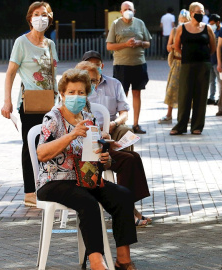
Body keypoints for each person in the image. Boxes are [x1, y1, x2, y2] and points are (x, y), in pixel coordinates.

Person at [36, 68, 138, 270]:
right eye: (71, 92)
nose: (76, 96)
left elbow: (94, 155)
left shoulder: (88, 117)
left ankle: (123, 260)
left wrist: (104, 158)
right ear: (62, 94)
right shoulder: (52, 118)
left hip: (85, 179)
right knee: (88, 202)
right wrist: (71, 135)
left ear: (87, 94)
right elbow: (42, 153)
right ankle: (96, 262)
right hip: (54, 181)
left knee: (123, 195)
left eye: (81, 92)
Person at [76, 56, 151, 227]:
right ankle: (127, 212)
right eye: (90, 81)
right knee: (128, 159)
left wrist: (107, 141)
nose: (94, 85)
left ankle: (128, 208)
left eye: (95, 81)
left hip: (97, 145)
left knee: (133, 157)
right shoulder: (75, 100)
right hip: (81, 156)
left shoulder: (92, 97)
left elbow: (94, 129)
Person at [0, 1, 58, 207]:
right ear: (30, 18)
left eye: (44, 14)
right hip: (30, 103)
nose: (40, 17)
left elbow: (52, 74)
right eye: (36, 14)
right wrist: (7, 102)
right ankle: (29, 192)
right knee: (30, 145)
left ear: (49, 19)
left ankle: (46, 187)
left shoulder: (50, 44)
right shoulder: (21, 42)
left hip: (50, 102)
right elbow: (10, 73)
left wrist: (58, 99)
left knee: (50, 145)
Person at [169, 2, 216, 136]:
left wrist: (203, 55)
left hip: (203, 65)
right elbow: (176, 46)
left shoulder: (207, 28)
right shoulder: (182, 28)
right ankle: (180, 126)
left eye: (202, 12)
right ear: (191, 13)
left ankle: (197, 126)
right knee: (184, 95)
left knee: (201, 96)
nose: (201, 14)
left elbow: (212, 47)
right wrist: (187, 54)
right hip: (187, 65)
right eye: (198, 11)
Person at [107, 1, 152, 134]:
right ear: (121, 12)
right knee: (123, 95)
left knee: (137, 93)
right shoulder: (116, 24)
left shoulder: (140, 23)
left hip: (139, 63)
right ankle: (123, 124)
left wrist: (140, 43)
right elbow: (109, 46)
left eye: (130, 9)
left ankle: (136, 124)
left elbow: (148, 43)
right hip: (121, 65)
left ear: (134, 11)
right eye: (125, 9)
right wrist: (125, 44)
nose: (128, 11)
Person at [158, 9, 191, 124]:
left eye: (185, 20)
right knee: (172, 88)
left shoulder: (192, 30)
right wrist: (175, 45)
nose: (183, 22)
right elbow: (168, 47)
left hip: (188, 63)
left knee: (188, 89)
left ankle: (187, 115)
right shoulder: (175, 30)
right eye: (181, 20)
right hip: (177, 63)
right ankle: (169, 114)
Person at [207, 14, 222, 105]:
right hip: (211, 60)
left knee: (221, 81)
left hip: (218, 61)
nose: (211, 25)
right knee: (212, 80)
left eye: (212, 23)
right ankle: (211, 97)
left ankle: (220, 98)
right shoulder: (212, 32)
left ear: (218, 22)